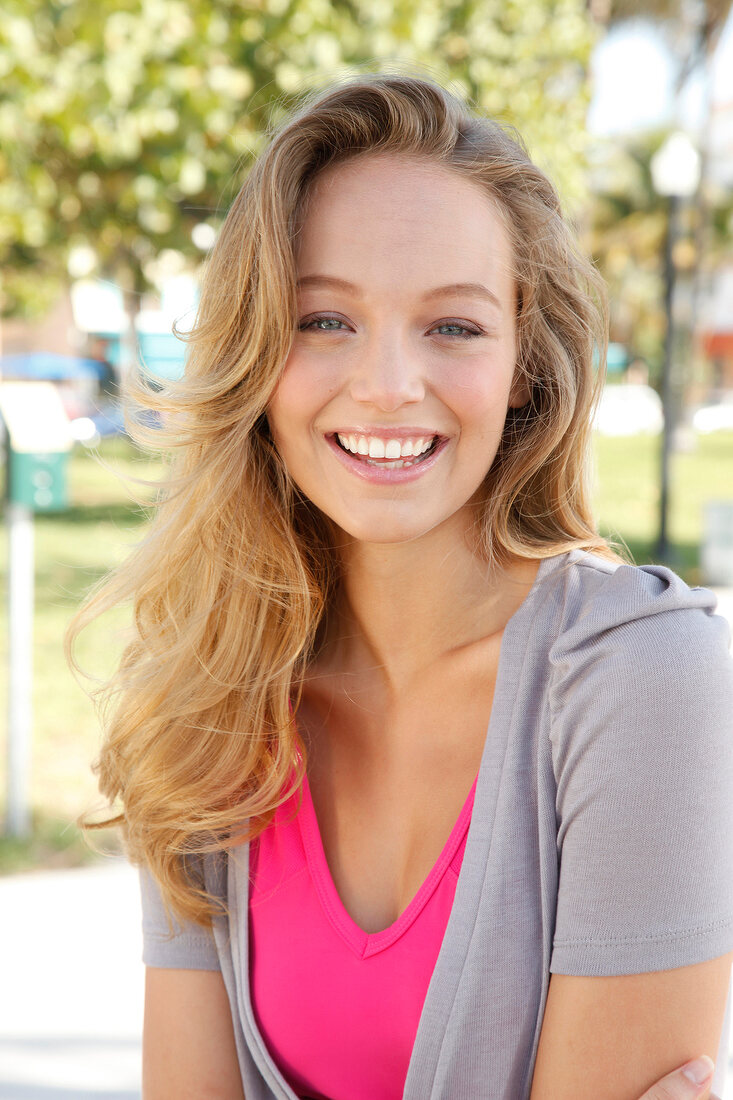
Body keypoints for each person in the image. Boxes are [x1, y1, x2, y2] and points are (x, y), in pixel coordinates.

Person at [66, 73, 733, 1099]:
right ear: (254, 350)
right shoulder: (206, 691)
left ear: (524, 361)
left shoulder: (639, 675)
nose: (386, 383)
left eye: (452, 326)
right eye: (324, 319)